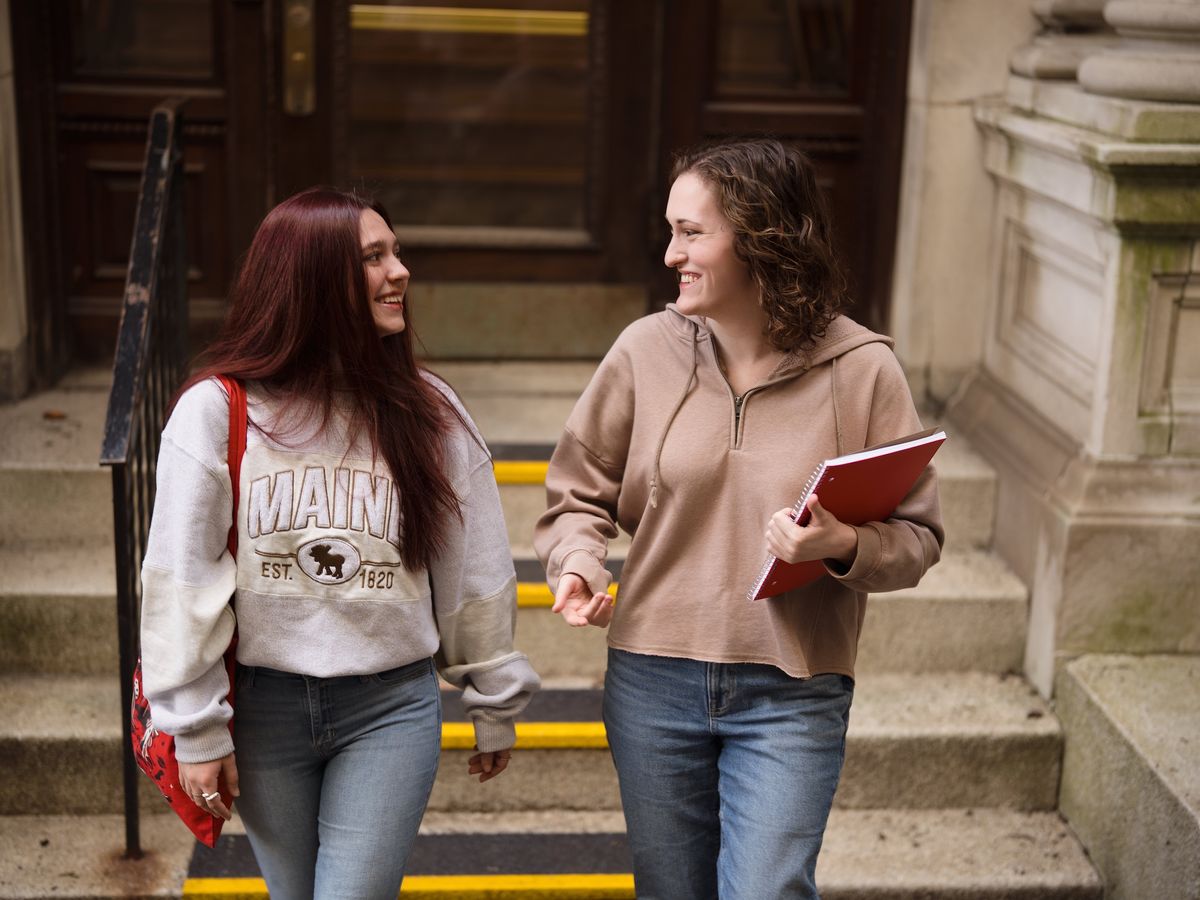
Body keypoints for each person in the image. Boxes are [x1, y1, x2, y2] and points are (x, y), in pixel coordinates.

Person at [534, 138, 943, 899]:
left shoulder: (864, 369)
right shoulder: (645, 351)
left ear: (762, 237)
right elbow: (576, 495)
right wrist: (578, 562)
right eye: (671, 231)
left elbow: (918, 538)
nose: (670, 254)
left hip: (793, 688)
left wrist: (842, 544)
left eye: (691, 233)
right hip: (653, 680)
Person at [140, 187, 540, 899]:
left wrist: (494, 697)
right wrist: (197, 729)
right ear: (310, 281)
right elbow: (180, 579)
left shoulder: (431, 413)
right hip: (263, 712)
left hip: (389, 708)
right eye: (373, 258)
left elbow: (474, 570)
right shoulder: (218, 411)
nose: (400, 272)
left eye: (396, 253)